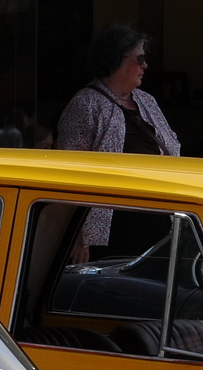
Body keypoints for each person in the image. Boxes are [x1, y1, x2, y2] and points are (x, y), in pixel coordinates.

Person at [56, 24, 180, 255]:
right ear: (116, 59)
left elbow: (173, 150)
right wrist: (76, 236)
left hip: (157, 225)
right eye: (139, 58)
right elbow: (68, 174)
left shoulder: (146, 101)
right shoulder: (86, 104)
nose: (145, 65)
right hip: (112, 232)